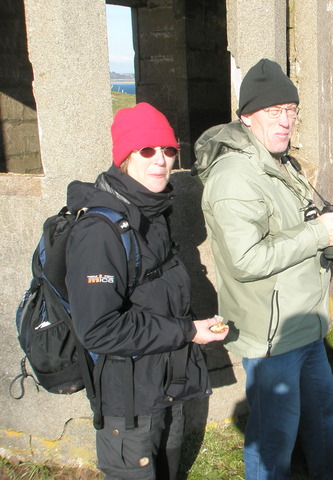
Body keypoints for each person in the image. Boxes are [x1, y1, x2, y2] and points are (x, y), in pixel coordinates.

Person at [192, 58, 333, 479]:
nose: (285, 121)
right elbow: (246, 261)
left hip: (305, 322)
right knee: (273, 435)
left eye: (291, 110)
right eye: (273, 112)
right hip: (272, 334)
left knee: (324, 416)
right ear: (246, 117)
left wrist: (322, 228)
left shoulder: (279, 162)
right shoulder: (235, 177)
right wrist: (317, 235)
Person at [65, 102, 229, 480]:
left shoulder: (151, 211)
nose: (161, 160)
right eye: (147, 150)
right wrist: (188, 331)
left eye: (169, 150)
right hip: (129, 403)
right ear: (124, 157)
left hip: (163, 385)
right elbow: (98, 329)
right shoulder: (99, 232)